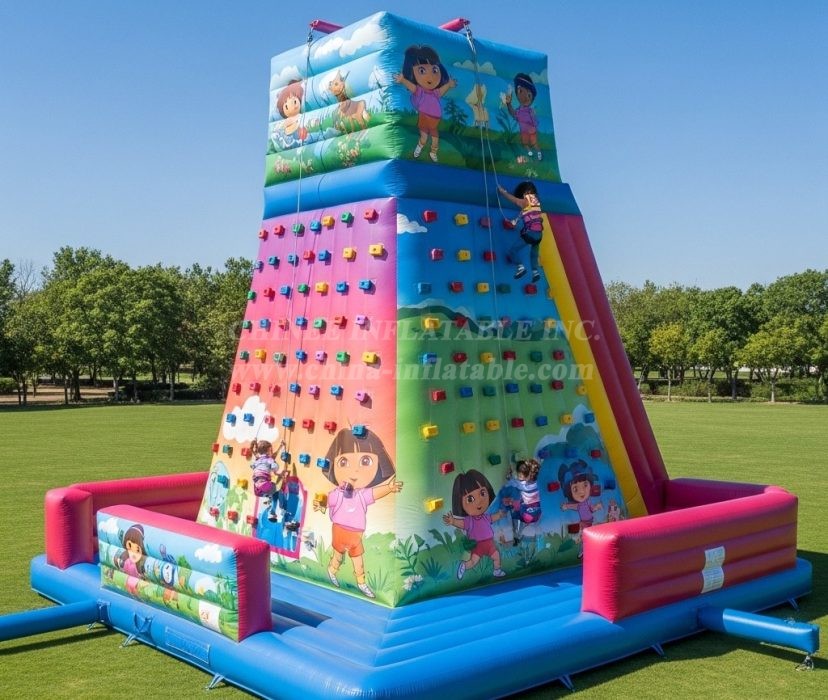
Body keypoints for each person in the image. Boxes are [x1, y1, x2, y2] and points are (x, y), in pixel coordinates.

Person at [315, 428, 402, 599]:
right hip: (340, 529)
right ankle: (332, 570)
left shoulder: (361, 494)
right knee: (338, 555)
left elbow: (375, 493)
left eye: (365, 461)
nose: (354, 471)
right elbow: (326, 501)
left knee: (358, 559)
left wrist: (389, 488)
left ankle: (361, 583)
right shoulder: (337, 494)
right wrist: (319, 504)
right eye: (343, 462)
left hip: (356, 533)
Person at [394, 44, 457, 162]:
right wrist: (403, 80)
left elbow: (442, 90)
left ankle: (433, 152)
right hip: (424, 117)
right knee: (424, 137)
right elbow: (412, 87)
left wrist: (449, 84)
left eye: (434, 70)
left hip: (435, 119)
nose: (430, 76)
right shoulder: (420, 91)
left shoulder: (435, 93)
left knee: (435, 138)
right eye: (422, 70)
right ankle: (419, 148)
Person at [443, 469, 507, 580]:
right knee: (473, 561)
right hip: (478, 545)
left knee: (496, 556)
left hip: (489, 543)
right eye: (470, 499)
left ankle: (497, 570)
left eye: (482, 493)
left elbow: (492, 518)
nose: (479, 501)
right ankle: (464, 565)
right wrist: (453, 521)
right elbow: (462, 523)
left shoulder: (485, 517)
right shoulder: (470, 520)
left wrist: (500, 514)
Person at [498, 181, 543, 280]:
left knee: (513, 250)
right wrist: (515, 221)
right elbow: (523, 213)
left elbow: (514, 200)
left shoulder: (525, 201)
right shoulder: (536, 202)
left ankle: (520, 267)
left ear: (527, 192)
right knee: (534, 254)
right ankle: (535, 272)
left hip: (531, 234)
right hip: (539, 235)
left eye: (525, 192)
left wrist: (503, 192)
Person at [559, 460, 603, 557]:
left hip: (590, 521)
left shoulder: (587, 502)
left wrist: (597, 507)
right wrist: (566, 506)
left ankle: (588, 547)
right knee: (585, 536)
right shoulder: (579, 505)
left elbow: (591, 509)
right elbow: (573, 506)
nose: (581, 492)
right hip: (584, 523)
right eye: (575, 489)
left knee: (589, 535)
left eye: (585, 485)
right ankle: (583, 549)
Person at [502, 72, 540, 161]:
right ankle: (529, 152)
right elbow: (513, 113)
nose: (526, 96)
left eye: (529, 94)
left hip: (531, 131)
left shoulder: (530, 111)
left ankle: (538, 152)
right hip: (524, 132)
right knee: (525, 143)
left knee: (534, 143)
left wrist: (534, 123)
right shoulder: (519, 111)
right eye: (519, 91)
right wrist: (508, 104)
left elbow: (534, 120)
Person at [505, 459, 542, 545]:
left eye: (519, 475)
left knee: (514, 513)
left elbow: (509, 482)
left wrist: (509, 475)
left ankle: (516, 535)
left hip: (526, 512)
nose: (519, 476)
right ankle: (520, 535)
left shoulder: (521, 484)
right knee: (523, 517)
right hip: (536, 513)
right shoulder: (537, 483)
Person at [250, 439, 287, 522]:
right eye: (271, 450)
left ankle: (271, 510)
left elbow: (253, 465)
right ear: (268, 451)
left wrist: (280, 447)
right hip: (264, 485)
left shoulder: (257, 460)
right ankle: (282, 508)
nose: (272, 451)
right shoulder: (269, 460)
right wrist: (279, 471)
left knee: (274, 494)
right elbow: (275, 467)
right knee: (279, 492)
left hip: (257, 489)